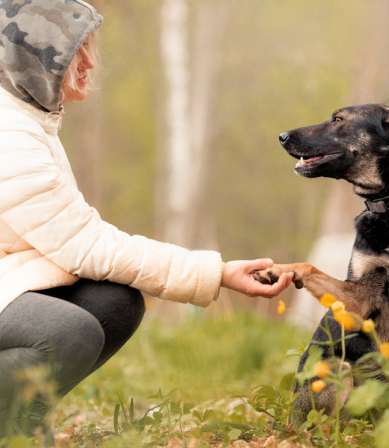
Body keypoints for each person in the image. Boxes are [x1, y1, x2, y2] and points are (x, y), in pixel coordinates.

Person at [0, 0, 293, 435]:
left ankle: (15, 420)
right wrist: (219, 273)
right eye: (75, 51)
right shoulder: (12, 137)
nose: (90, 63)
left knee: (113, 302)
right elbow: (86, 245)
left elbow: (65, 242)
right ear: (34, 55)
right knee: (71, 330)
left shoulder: (29, 122)